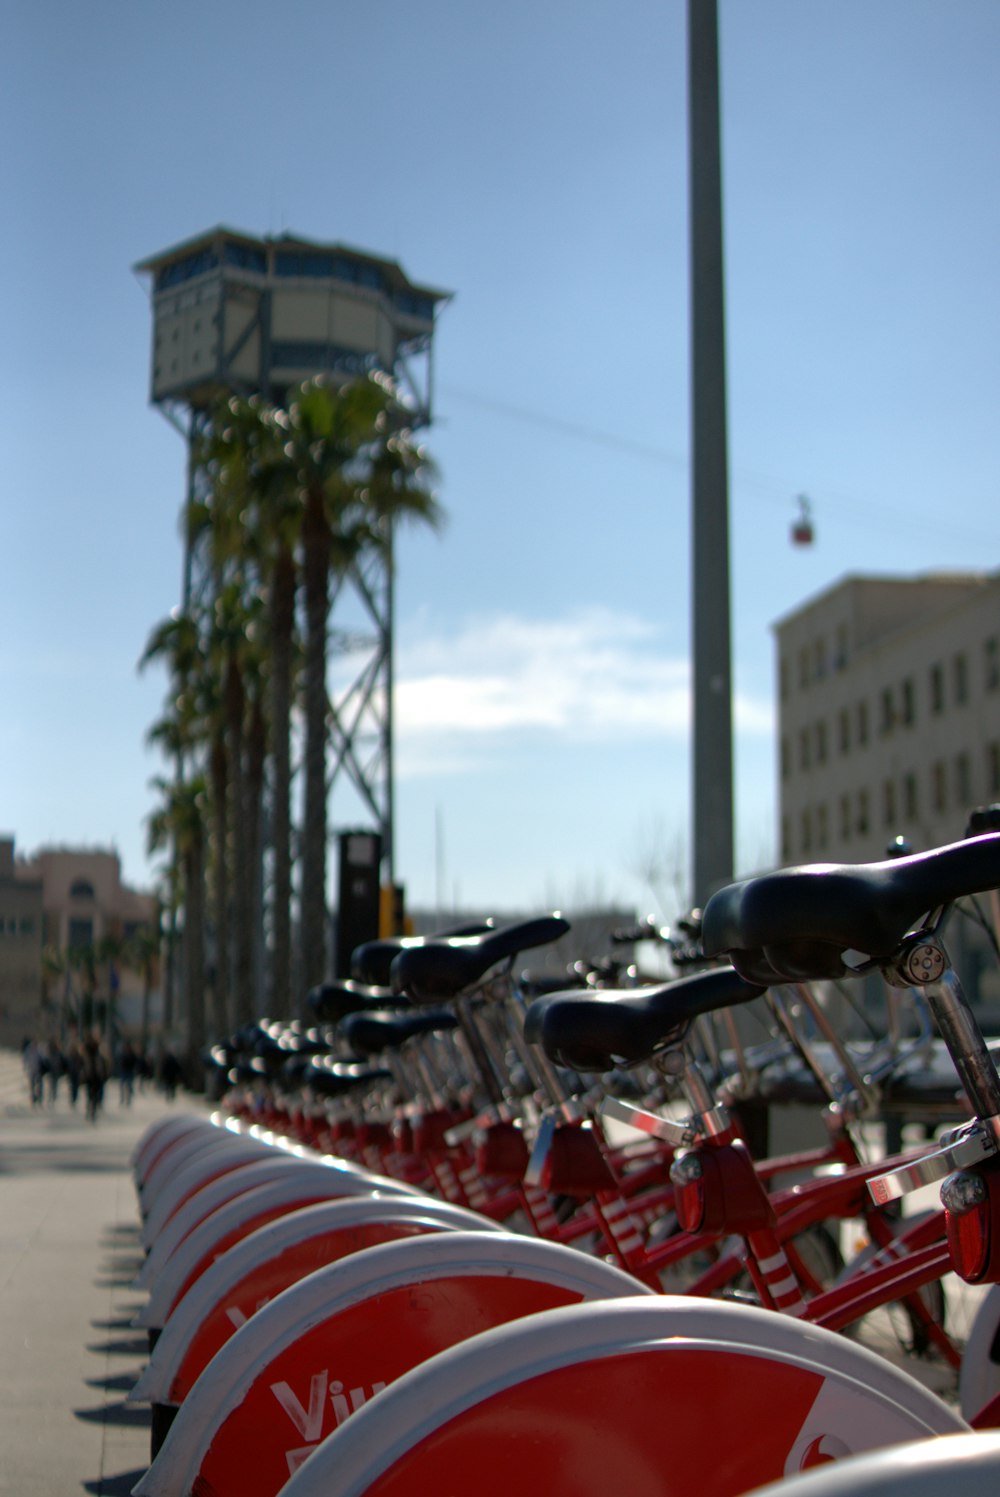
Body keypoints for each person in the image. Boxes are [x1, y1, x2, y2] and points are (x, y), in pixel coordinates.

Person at [81, 1029, 110, 1122]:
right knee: (91, 1094)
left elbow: (105, 1062)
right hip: (91, 1076)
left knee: (94, 1094)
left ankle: (92, 1109)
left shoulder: (99, 1051)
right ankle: (91, 1109)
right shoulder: (88, 1051)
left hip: (96, 1076)